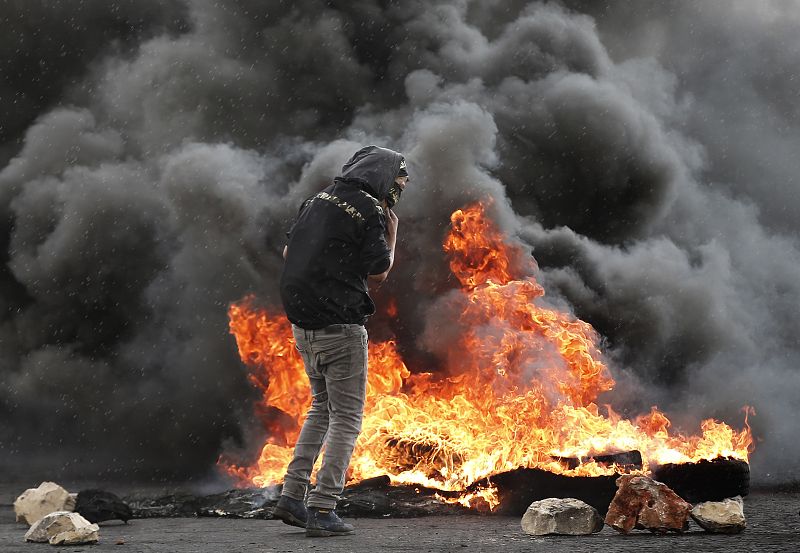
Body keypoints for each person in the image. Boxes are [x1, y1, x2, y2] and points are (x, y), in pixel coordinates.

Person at [272, 145, 408, 537]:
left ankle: (291, 496)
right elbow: (379, 274)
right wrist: (392, 233)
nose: (401, 186)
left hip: (303, 326)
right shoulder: (368, 210)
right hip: (341, 328)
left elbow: (287, 252)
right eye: (400, 178)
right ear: (382, 176)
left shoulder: (316, 199)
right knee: (347, 419)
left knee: (320, 409)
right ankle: (323, 507)